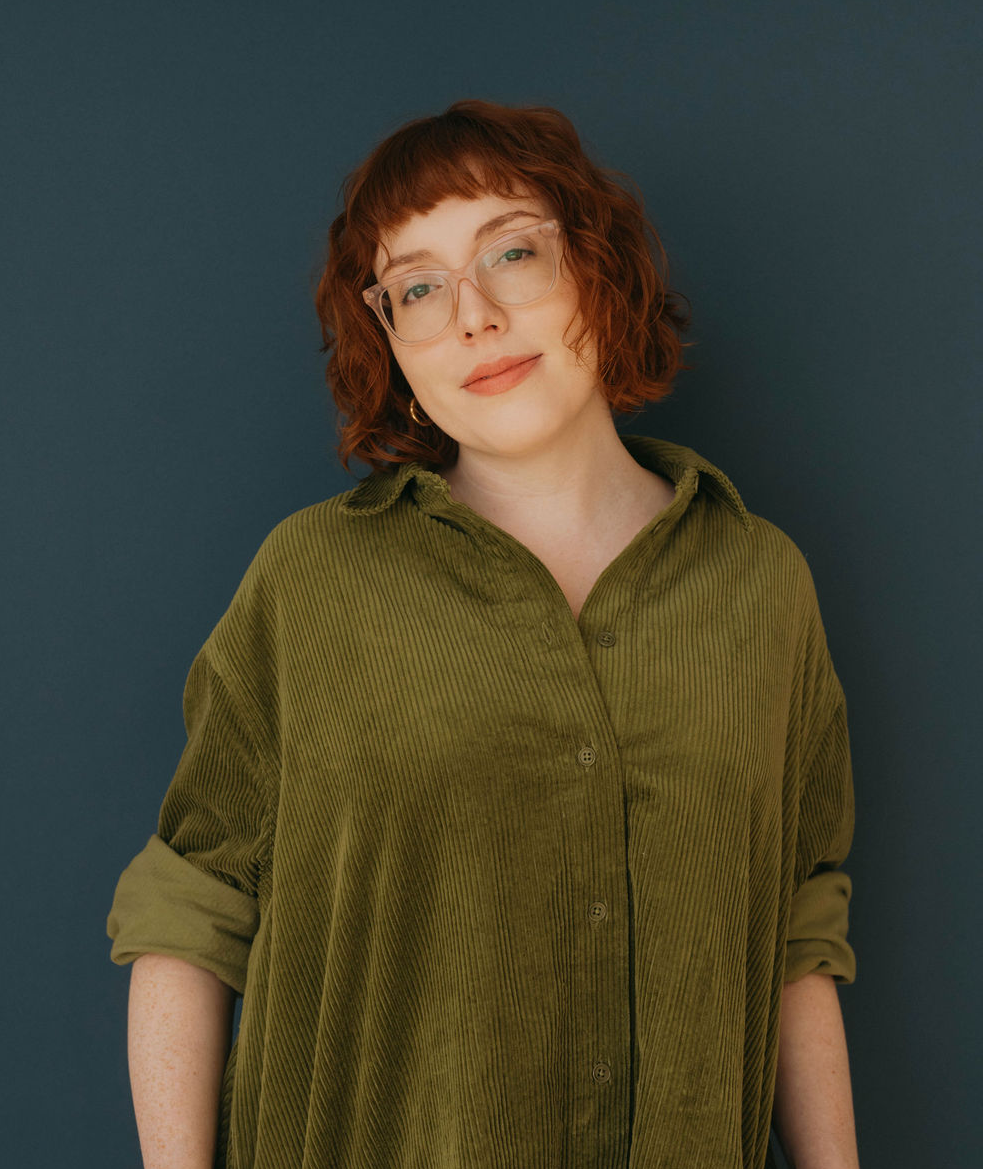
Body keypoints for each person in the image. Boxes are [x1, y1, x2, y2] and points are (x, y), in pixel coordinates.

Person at [108, 99, 860, 1169]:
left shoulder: (760, 585)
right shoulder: (314, 580)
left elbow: (793, 931)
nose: (473, 316)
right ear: (391, 345)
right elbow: (190, 911)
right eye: (418, 287)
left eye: (511, 252)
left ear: (596, 268)